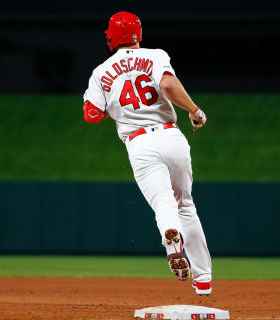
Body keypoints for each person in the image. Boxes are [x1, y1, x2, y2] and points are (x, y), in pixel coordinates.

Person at [83, 11, 212, 295]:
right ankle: (203, 280)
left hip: (140, 143)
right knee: (186, 206)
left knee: (163, 203)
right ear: (138, 34)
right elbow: (167, 84)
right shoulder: (155, 55)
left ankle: (171, 239)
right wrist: (194, 110)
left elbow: (91, 114)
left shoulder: (101, 72)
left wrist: (115, 107)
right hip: (171, 135)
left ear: (111, 37)